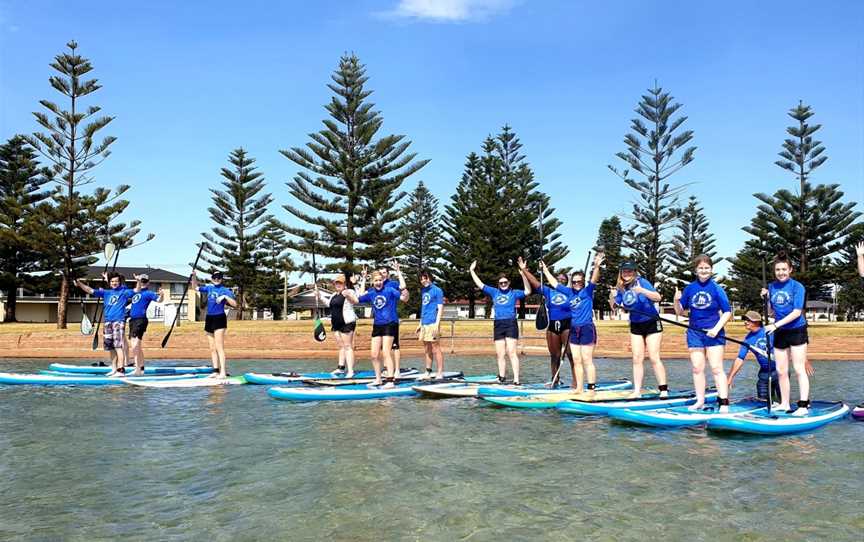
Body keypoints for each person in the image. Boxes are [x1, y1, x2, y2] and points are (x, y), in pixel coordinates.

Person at [673, 255, 732, 412]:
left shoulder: (717, 289)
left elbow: (727, 312)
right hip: (694, 333)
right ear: (695, 270)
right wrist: (675, 300)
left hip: (714, 333)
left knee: (716, 368)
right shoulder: (690, 288)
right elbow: (680, 311)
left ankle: (724, 402)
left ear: (711, 270)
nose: (704, 271)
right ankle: (700, 401)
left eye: (707, 268)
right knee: (697, 368)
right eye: (701, 268)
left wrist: (716, 329)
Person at [544, 252, 605, 392]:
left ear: (583, 282)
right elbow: (554, 283)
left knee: (587, 360)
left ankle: (591, 388)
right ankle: (579, 388)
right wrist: (545, 270)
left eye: (579, 282)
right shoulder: (568, 292)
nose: (577, 284)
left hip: (587, 328)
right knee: (576, 360)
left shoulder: (588, 291)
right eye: (575, 281)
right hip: (574, 329)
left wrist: (596, 266)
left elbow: (594, 279)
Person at [609, 262, 669, 398]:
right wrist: (612, 297)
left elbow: (658, 297)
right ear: (621, 273)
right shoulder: (621, 288)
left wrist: (642, 291)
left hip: (652, 322)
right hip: (635, 324)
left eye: (630, 271)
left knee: (654, 357)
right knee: (637, 358)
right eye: (624, 271)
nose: (627, 274)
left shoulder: (642, 282)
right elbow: (618, 307)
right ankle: (637, 391)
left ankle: (663, 390)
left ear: (635, 272)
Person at [761, 251, 810, 415]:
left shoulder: (798, 287)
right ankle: (785, 404)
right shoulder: (772, 287)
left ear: (790, 270)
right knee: (781, 371)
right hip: (780, 331)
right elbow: (771, 311)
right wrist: (766, 298)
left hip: (796, 330)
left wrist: (775, 325)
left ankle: (803, 405)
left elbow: (797, 312)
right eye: (777, 270)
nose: (780, 272)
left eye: (784, 269)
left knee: (798, 368)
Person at [470, 259, 531, 385]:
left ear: (509, 283)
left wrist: (523, 274)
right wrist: (471, 271)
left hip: (510, 323)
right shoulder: (494, 292)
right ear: (498, 285)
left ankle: (516, 380)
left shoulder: (514, 293)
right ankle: (502, 377)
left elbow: (528, 291)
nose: (503, 284)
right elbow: (480, 284)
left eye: (505, 282)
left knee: (512, 352)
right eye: (501, 283)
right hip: (498, 324)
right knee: (500, 354)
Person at [519, 259, 574, 387]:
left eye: (563, 279)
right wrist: (524, 270)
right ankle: (555, 380)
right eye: (558, 278)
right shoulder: (549, 291)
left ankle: (576, 381)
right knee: (554, 355)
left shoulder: (571, 293)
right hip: (552, 325)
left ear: (567, 282)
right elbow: (535, 283)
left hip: (567, 325)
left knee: (571, 354)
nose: (560, 280)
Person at [357, 261, 408, 387]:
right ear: (373, 282)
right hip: (377, 325)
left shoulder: (390, 289)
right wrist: (363, 278)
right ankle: (378, 379)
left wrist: (398, 272)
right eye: (376, 280)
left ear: (383, 279)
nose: (378, 282)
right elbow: (359, 296)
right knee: (374, 354)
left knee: (387, 351)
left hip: (390, 323)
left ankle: (391, 379)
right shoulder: (372, 292)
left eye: (380, 279)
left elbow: (403, 296)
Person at [74, 272, 135, 376]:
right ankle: (114, 369)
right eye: (112, 281)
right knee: (110, 347)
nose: (114, 283)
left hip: (118, 321)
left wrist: (138, 281)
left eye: (116, 281)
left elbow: (136, 290)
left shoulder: (124, 292)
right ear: (110, 283)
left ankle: (121, 370)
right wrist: (79, 284)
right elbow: (90, 290)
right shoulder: (106, 292)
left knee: (118, 346)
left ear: (120, 283)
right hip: (107, 322)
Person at [190, 271, 237, 379]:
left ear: (221, 279)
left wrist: (225, 297)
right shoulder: (209, 288)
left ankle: (223, 372)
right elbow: (195, 287)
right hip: (209, 318)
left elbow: (235, 304)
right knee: (212, 347)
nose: (217, 279)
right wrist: (194, 276)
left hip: (219, 318)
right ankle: (215, 371)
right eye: (215, 278)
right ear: (212, 279)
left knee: (219, 347)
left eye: (219, 278)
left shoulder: (225, 290)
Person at [726, 310, 780, 402]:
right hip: (764, 374)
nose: (745, 322)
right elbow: (740, 358)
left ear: (757, 321)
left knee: (783, 401)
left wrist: (804, 361)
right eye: (745, 319)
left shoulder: (770, 332)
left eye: (748, 320)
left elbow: (788, 345)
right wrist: (730, 377)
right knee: (762, 403)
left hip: (780, 372)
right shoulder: (748, 339)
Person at [126, 274, 165, 376]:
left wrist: (162, 295)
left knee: (135, 345)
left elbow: (159, 300)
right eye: (140, 280)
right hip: (132, 320)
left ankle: (137, 368)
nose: (142, 282)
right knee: (136, 346)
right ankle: (141, 368)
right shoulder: (134, 292)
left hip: (140, 320)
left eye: (144, 281)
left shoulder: (148, 293)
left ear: (148, 282)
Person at [326, 274, 359, 378]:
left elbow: (356, 301)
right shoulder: (333, 295)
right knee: (341, 346)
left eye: (340, 283)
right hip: (336, 323)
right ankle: (341, 368)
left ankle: (350, 371)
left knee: (348, 347)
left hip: (347, 322)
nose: (338, 285)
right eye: (336, 283)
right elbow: (328, 304)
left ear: (345, 284)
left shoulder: (349, 291)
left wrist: (348, 295)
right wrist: (319, 296)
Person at [416, 269, 445, 379]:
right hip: (424, 323)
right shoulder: (423, 291)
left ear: (430, 278)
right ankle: (428, 371)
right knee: (427, 348)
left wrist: (437, 324)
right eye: (422, 279)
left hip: (433, 322)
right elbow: (424, 308)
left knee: (436, 347)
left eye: (425, 278)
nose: (424, 281)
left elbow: (440, 308)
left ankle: (440, 372)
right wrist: (420, 323)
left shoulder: (437, 290)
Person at [379, 265, 403, 376]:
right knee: (383, 347)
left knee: (395, 346)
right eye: (380, 273)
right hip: (380, 322)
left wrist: (398, 271)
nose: (382, 275)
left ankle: (397, 369)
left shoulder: (392, 284)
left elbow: (403, 286)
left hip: (392, 320)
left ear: (388, 274)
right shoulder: (377, 286)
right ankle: (386, 368)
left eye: (384, 273)